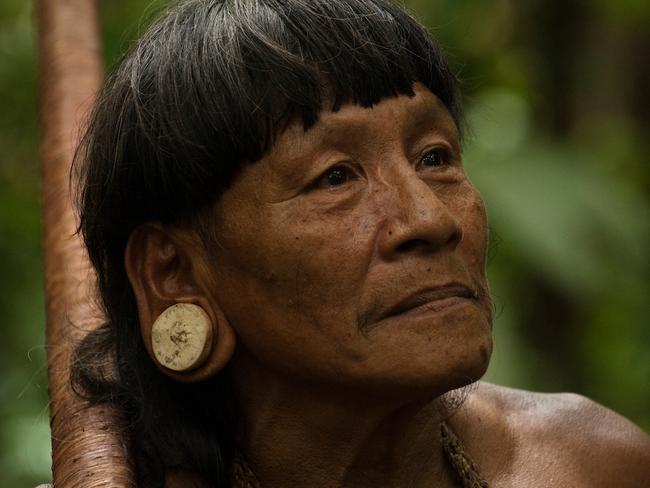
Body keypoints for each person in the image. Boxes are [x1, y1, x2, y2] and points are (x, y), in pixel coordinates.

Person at [70, 0, 650, 486]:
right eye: (335, 177)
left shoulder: (590, 466)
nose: (430, 218)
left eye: (435, 157)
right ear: (174, 274)